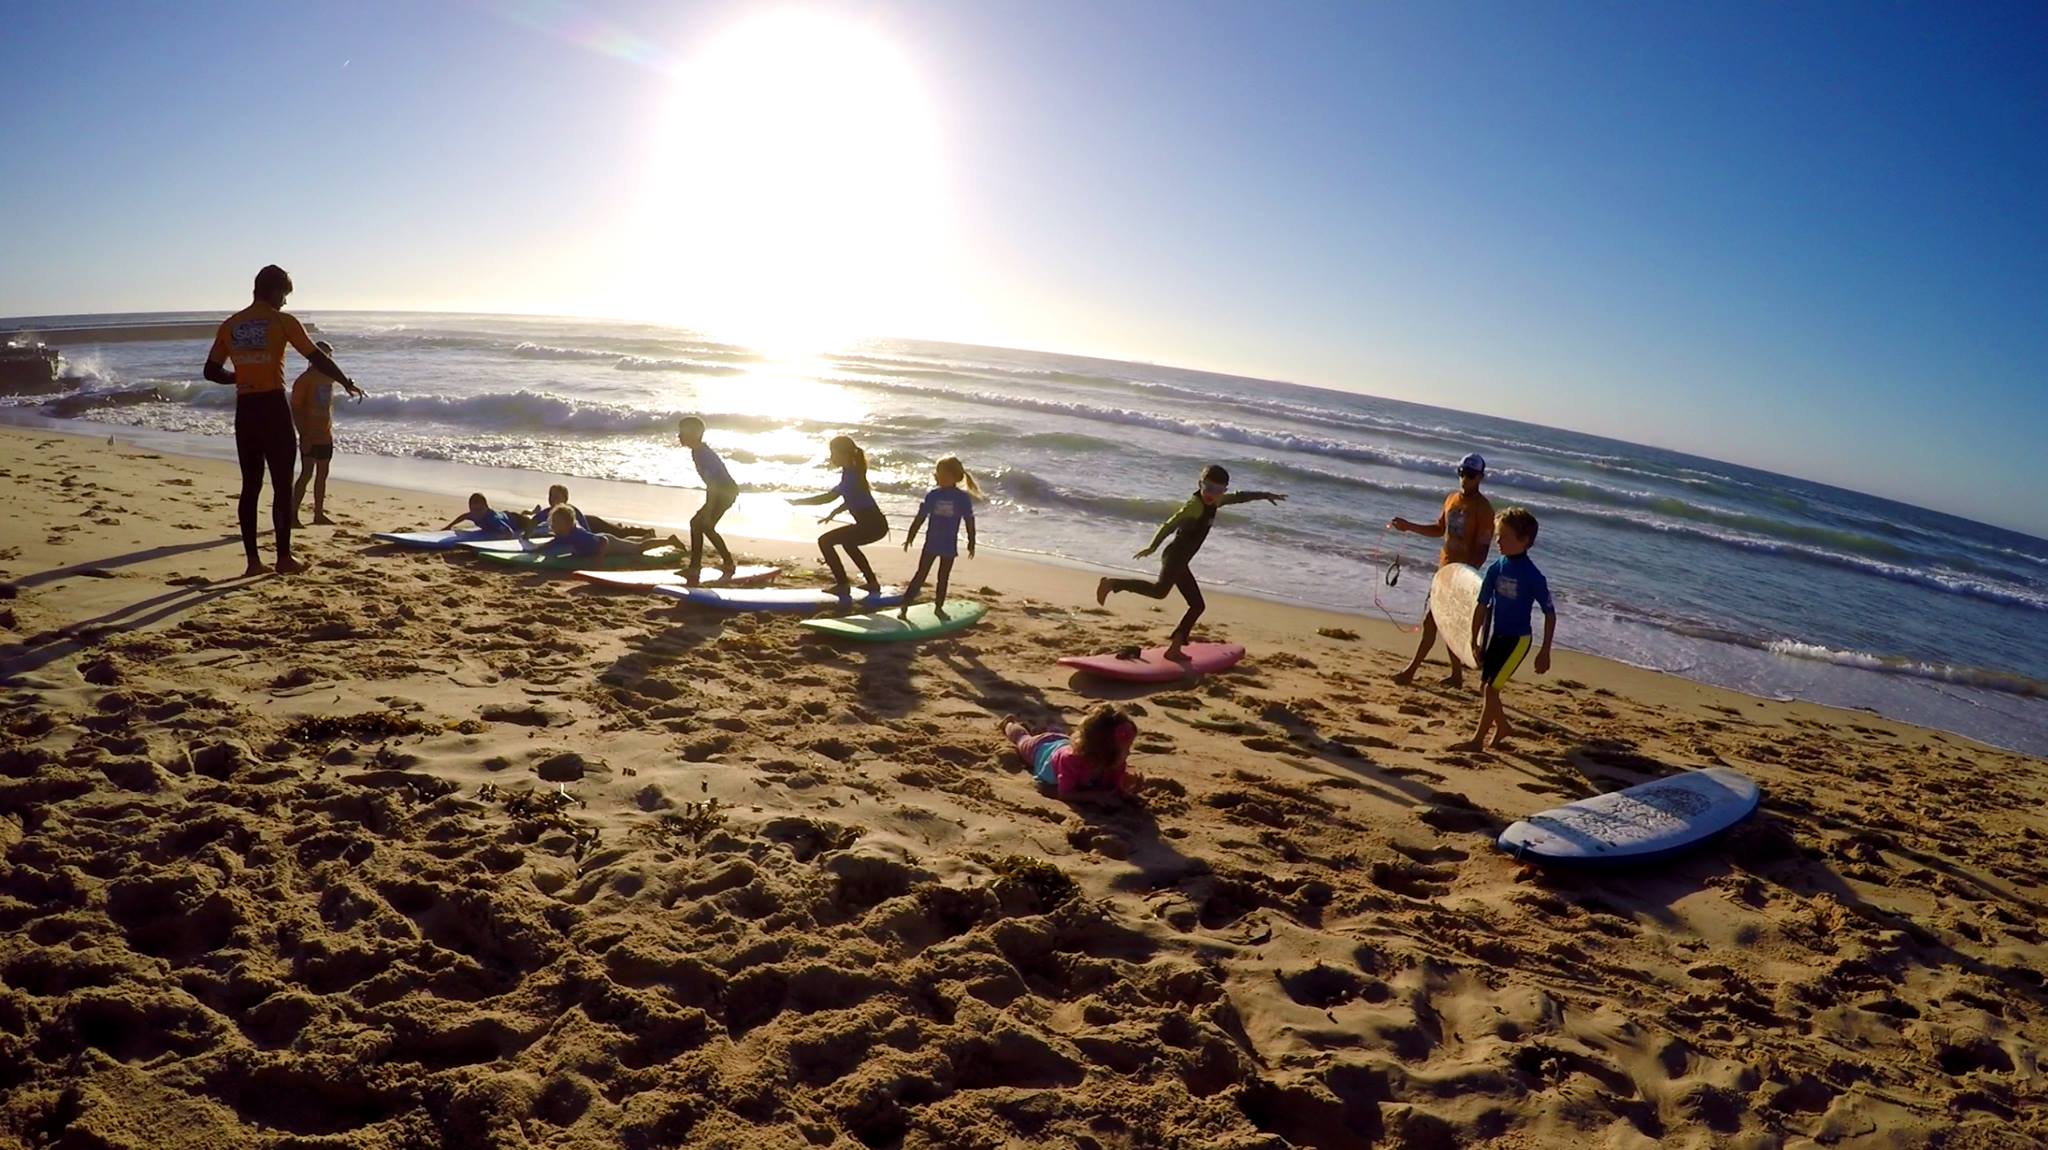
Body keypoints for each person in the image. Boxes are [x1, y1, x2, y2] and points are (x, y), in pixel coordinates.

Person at [203, 265, 362, 576]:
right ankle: (284, 558)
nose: (286, 302)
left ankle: (252, 562)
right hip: (273, 408)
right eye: (285, 295)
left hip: (246, 410)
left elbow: (210, 371)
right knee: (281, 484)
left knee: (250, 486)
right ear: (275, 291)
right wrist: (345, 381)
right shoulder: (282, 321)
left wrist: (239, 376)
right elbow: (315, 356)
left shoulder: (231, 325)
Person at [1095, 465, 1284, 660]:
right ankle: (1112, 584)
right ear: (1200, 484)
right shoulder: (1194, 506)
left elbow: (1239, 496)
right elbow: (1170, 524)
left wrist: (1265, 495)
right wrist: (1153, 546)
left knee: (1187, 602)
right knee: (1176, 598)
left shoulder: (1216, 502)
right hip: (1175, 557)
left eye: (1219, 490)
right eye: (1208, 488)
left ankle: (1174, 648)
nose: (1212, 494)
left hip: (1181, 560)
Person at [1388, 453, 1496, 687]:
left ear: (1480, 477)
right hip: (1444, 570)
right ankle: (1456, 676)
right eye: (1461, 473)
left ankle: (1410, 671)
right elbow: (1439, 529)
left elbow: (1482, 549)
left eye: (1470, 475)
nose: (1464, 479)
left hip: (1460, 576)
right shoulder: (1451, 500)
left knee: (1432, 622)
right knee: (1446, 624)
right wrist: (1409, 527)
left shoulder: (1484, 510)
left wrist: (1464, 577)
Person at [1463, 507, 1555, 751]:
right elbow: (1482, 605)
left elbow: (1550, 613)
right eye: (1496, 536)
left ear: (1524, 541)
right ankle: (1502, 726)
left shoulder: (1533, 576)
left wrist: (1545, 651)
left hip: (1518, 640)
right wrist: (1474, 640)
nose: (1498, 541)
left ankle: (1476, 741)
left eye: (1504, 536)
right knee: (1486, 688)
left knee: (1492, 690)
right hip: (1497, 636)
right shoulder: (1496, 568)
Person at [789, 435, 887, 597]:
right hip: (874, 524)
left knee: (825, 541)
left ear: (845, 454)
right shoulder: (851, 472)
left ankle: (843, 584)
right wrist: (834, 512)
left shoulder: (852, 476)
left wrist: (798, 502)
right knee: (848, 543)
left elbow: (827, 498)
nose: (831, 457)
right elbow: (855, 499)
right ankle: (872, 583)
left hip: (872, 525)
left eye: (833, 453)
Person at [289, 339, 365, 527]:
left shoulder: (329, 378)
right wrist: (303, 436)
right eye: (325, 355)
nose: (329, 359)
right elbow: (296, 410)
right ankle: (292, 514)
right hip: (310, 434)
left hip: (325, 432)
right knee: (307, 473)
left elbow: (344, 380)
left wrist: (351, 385)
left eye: (330, 355)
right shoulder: (304, 380)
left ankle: (318, 514)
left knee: (322, 474)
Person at [899, 456, 979, 618]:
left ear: (955, 476)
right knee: (920, 574)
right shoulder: (933, 495)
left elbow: (969, 520)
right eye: (938, 473)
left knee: (943, 577)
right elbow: (920, 517)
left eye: (944, 475)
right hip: (931, 543)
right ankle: (904, 606)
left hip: (948, 545)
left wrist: (972, 542)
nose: (939, 477)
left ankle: (939, 608)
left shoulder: (962, 498)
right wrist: (910, 536)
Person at [1002, 705, 1141, 797]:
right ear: (1104, 751)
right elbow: (1065, 793)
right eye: (1125, 749)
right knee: (1021, 740)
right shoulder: (1071, 760)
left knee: (1061, 736)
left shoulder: (1114, 763)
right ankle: (1010, 724)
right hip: (1042, 749)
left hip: (1066, 741)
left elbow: (1113, 788)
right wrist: (1094, 797)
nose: (1128, 754)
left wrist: (1125, 791)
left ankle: (1051, 728)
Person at [677, 416, 739, 584]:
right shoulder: (696, 451)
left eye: (683, 432)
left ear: (696, 434)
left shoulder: (704, 454)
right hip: (720, 492)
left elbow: (713, 485)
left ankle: (699, 566)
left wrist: (709, 509)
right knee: (703, 525)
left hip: (725, 493)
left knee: (700, 524)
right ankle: (725, 563)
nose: (679, 435)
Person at [536, 505, 680, 561]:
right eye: (553, 522)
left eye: (557, 522)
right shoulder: (563, 535)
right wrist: (535, 550)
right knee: (632, 543)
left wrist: (600, 558)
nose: (553, 525)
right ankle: (643, 537)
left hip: (608, 545)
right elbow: (551, 543)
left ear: (568, 523)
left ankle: (669, 540)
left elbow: (604, 541)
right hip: (604, 540)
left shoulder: (579, 534)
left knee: (638, 548)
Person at [520, 484, 648, 539]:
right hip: (587, 523)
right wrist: (526, 536)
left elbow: (587, 533)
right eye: (551, 497)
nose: (553, 500)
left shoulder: (572, 511)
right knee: (617, 530)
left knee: (619, 533)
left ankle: (645, 532)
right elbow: (534, 522)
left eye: (557, 497)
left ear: (565, 499)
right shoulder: (548, 512)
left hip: (592, 524)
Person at [444, 493, 519, 536]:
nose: (477, 513)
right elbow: (463, 517)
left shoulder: (493, 519)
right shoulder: (473, 514)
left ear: (486, 507)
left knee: (527, 520)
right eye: (474, 510)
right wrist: (448, 526)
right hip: (503, 514)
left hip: (516, 520)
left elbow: (509, 532)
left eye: (479, 510)